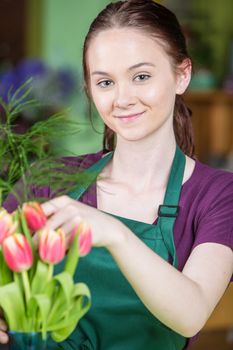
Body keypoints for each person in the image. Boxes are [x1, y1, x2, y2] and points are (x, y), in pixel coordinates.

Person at [1, 0, 233, 349]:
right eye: (105, 82)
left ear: (181, 74)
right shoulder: (48, 179)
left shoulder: (217, 194)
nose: (122, 98)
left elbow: (192, 313)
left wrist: (114, 233)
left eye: (141, 76)